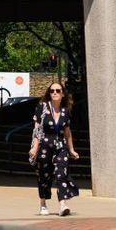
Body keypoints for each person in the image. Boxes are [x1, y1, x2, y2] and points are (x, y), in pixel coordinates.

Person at [27, 82, 79, 216]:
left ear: (62, 93)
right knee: (45, 176)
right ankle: (43, 204)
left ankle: (63, 205)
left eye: (58, 90)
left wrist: (71, 149)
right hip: (45, 146)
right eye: (52, 91)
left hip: (60, 147)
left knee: (61, 174)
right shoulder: (42, 108)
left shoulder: (65, 111)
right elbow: (37, 130)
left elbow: (67, 132)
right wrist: (34, 148)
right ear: (49, 93)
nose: (54, 93)